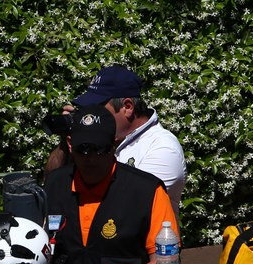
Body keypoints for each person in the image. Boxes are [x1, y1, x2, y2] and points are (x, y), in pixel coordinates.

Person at [44, 105, 179, 264]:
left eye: (100, 149)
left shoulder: (146, 191)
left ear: (114, 145)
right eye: (82, 149)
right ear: (69, 144)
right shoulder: (55, 184)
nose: (90, 158)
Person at [69, 64, 186, 213]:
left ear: (128, 107)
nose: (91, 116)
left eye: (98, 108)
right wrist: (70, 143)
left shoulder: (162, 148)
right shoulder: (106, 139)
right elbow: (55, 188)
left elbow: (129, 208)